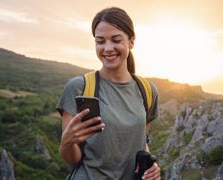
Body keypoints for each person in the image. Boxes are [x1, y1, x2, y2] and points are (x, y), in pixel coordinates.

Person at [56, 7, 161, 180]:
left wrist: (151, 166)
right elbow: (72, 158)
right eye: (100, 41)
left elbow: (141, 143)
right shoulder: (78, 87)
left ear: (131, 41)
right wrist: (66, 143)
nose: (108, 48)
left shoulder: (148, 91)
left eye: (115, 40)